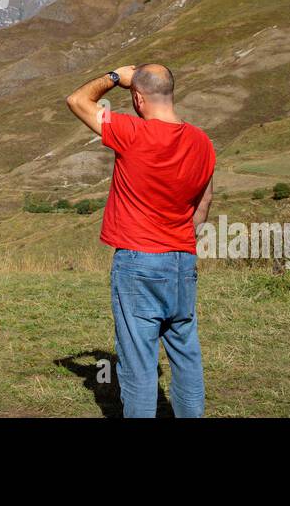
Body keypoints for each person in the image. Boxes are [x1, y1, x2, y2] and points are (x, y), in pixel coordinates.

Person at [65, 63, 215, 418]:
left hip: (139, 262)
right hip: (182, 260)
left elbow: (77, 100)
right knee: (186, 355)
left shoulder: (132, 132)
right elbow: (204, 203)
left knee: (138, 362)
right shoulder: (202, 142)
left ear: (137, 98)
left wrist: (114, 77)